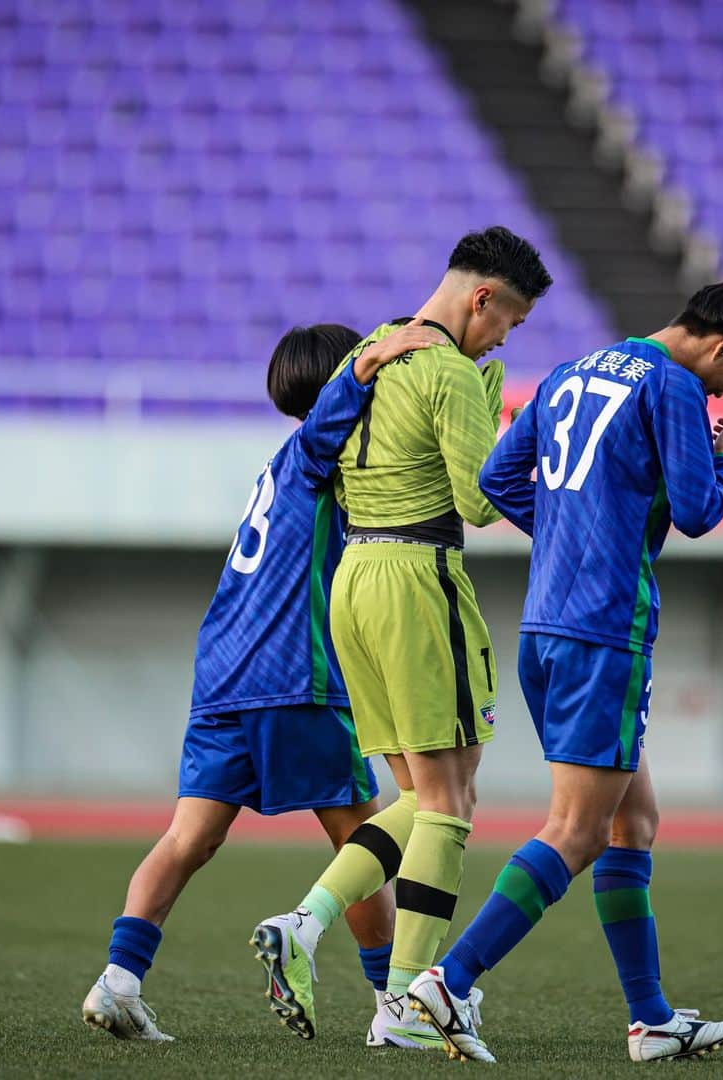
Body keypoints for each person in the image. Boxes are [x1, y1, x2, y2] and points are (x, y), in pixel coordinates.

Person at [408, 282, 723, 1064]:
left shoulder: (573, 371)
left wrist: (573, 534)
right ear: (722, 348)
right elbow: (694, 510)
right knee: (578, 830)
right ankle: (449, 981)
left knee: (632, 823)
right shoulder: (677, 385)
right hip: (605, 632)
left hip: (546, 629)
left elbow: (496, 481)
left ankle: (650, 1021)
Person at [80, 319, 447, 1045]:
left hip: (224, 674)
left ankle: (118, 981)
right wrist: (379, 355)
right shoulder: (320, 448)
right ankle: (390, 1003)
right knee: (369, 841)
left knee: (189, 837)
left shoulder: (279, 465)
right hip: (293, 675)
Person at [253, 226, 553, 1043]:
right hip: (420, 580)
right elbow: (479, 501)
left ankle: (306, 923)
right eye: (510, 323)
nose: (504, 338)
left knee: (419, 798)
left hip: (356, 581)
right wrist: (498, 408)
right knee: (451, 806)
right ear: (482, 298)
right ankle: (408, 1005)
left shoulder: (372, 348)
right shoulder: (451, 371)